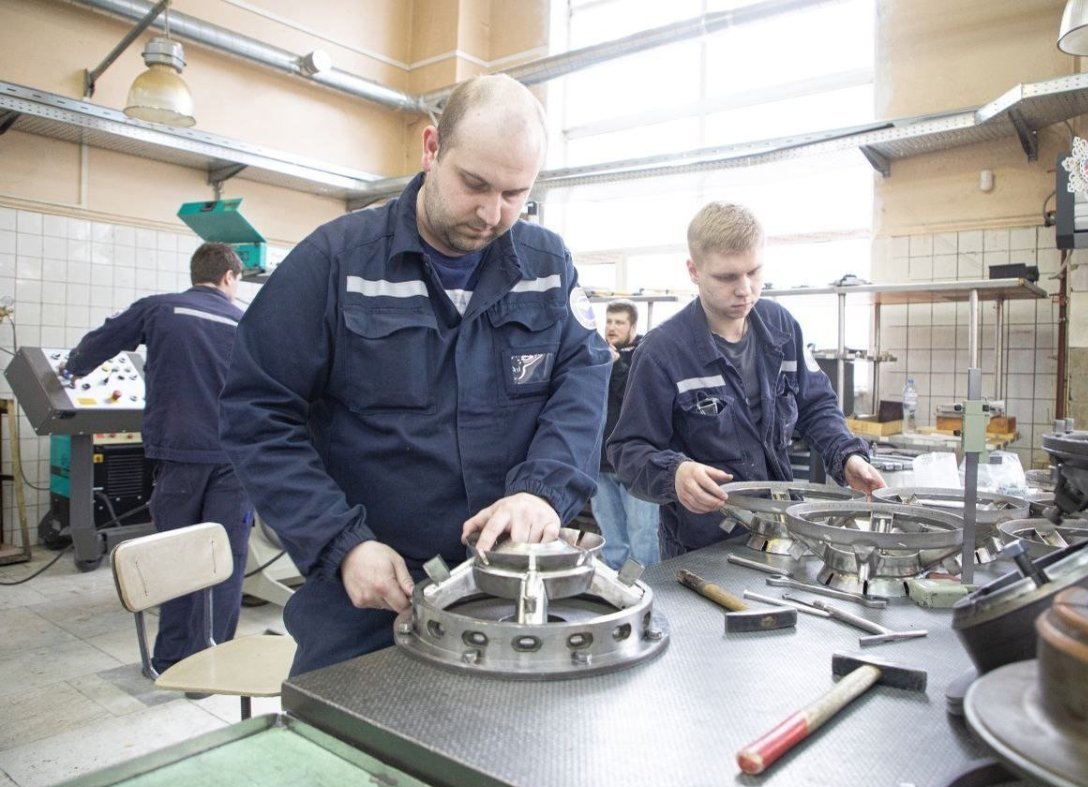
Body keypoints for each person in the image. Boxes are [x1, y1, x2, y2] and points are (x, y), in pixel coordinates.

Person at [218, 74, 612, 676]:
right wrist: (341, 544)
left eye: (515, 194)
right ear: (431, 149)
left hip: (505, 588)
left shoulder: (548, 265)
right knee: (344, 753)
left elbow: (582, 378)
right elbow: (257, 414)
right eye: (474, 184)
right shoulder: (334, 264)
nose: (490, 213)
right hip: (369, 595)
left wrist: (542, 490)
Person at [608, 201, 886, 558]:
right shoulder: (663, 352)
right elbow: (628, 450)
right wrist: (674, 474)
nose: (745, 290)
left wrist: (846, 455)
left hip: (783, 531)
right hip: (703, 547)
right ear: (694, 270)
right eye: (727, 277)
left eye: (754, 272)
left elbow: (815, 405)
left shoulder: (782, 328)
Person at [63, 242, 250, 675]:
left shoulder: (161, 309)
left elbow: (101, 342)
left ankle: (170, 661)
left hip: (180, 453)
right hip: (234, 458)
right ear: (228, 277)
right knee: (224, 557)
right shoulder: (245, 321)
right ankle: (216, 658)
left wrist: (72, 367)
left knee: (177, 556)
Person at [591, 301, 660, 568]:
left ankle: (652, 597)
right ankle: (616, 599)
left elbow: (639, 401)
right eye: (609, 321)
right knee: (611, 540)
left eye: (619, 322)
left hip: (636, 463)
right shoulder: (597, 354)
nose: (612, 327)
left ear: (633, 326)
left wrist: (617, 366)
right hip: (601, 464)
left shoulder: (645, 355)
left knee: (643, 536)